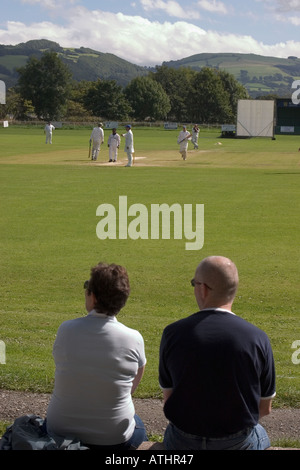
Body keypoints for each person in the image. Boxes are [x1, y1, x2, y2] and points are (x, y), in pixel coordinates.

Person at [159, 256, 276, 451]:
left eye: (194, 284)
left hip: (183, 440)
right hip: (236, 442)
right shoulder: (257, 338)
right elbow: (264, 408)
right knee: (260, 434)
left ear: (203, 289)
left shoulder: (173, 334)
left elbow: (169, 399)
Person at [46, 262, 148, 450]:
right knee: (138, 426)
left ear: (92, 297)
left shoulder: (66, 330)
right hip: (114, 438)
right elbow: (135, 380)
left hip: (59, 431)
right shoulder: (134, 338)